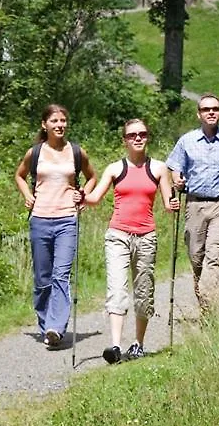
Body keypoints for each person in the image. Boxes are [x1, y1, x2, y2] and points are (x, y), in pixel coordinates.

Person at [84, 118, 179, 364]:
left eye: (142, 134)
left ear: (147, 137)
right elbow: (94, 199)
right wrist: (80, 196)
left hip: (146, 236)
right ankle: (115, 346)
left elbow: (169, 204)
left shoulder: (158, 168)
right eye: (132, 135)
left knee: (144, 292)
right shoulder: (115, 169)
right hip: (118, 235)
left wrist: (174, 203)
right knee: (117, 289)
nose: (138, 138)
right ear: (124, 140)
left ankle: (138, 344)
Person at [15, 104, 96, 349]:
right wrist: (27, 195)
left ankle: (56, 327)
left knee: (61, 275)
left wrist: (83, 194)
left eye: (63, 121)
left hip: (66, 220)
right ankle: (45, 325)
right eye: (54, 121)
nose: (60, 125)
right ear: (44, 125)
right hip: (39, 220)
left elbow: (92, 177)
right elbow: (19, 175)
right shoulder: (35, 153)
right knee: (42, 280)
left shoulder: (76, 152)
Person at [166, 93, 219, 310]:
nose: (211, 112)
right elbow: (175, 167)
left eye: (215, 109)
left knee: (213, 255)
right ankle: (205, 300)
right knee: (196, 257)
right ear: (199, 114)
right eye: (206, 109)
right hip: (194, 204)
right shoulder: (187, 141)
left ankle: (209, 303)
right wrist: (177, 179)